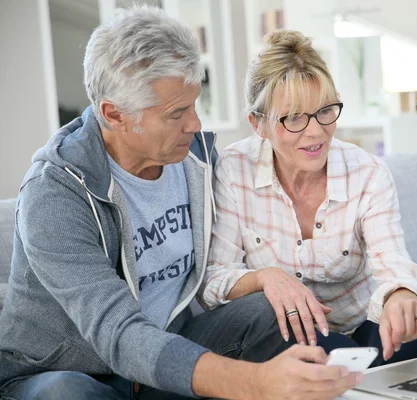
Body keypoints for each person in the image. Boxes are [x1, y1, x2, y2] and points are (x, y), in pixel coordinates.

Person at [0, 8, 361, 400]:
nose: (195, 125)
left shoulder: (198, 161)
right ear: (114, 114)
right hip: (71, 371)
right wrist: (255, 382)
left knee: (273, 312)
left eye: (194, 104)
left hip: (168, 349)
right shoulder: (55, 194)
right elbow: (117, 333)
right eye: (176, 113)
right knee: (65, 394)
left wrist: (272, 277)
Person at [201, 30, 417, 367]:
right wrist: (266, 277)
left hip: (361, 326)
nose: (316, 131)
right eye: (294, 118)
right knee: (310, 353)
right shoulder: (233, 171)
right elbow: (214, 279)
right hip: (287, 333)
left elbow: (393, 264)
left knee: (411, 343)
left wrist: (401, 295)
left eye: (325, 111)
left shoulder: (368, 173)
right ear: (258, 124)